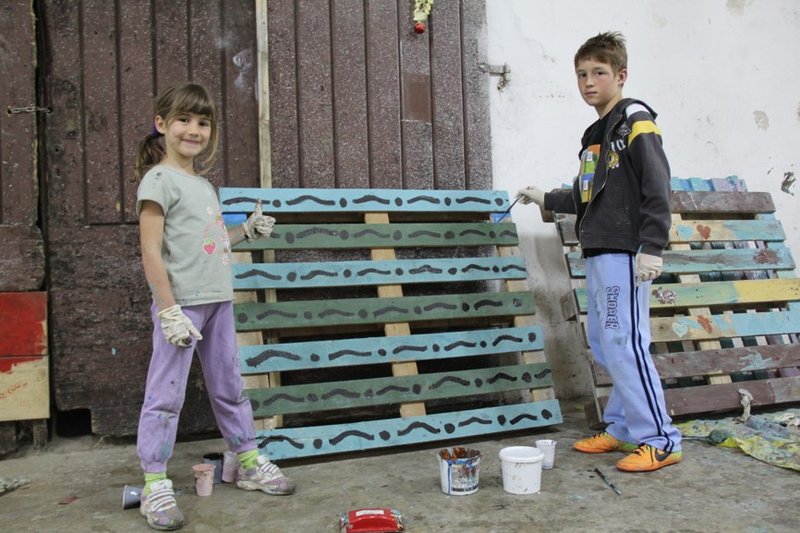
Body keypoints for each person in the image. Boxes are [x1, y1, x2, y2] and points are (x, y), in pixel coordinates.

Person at [516, 32, 682, 472]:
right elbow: (588, 192)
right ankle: (624, 427)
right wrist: (547, 199)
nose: (588, 82)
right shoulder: (595, 133)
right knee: (608, 345)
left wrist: (652, 246)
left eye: (599, 73)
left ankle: (662, 439)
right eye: (581, 74)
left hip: (626, 252)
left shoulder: (635, 121)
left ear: (621, 75)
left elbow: (657, 186)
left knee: (625, 343)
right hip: (600, 250)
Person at [133, 82, 295, 531]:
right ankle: (154, 483)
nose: (194, 130)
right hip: (181, 307)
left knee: (230, 386)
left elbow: (212, 241)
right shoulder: (158, 181)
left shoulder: (204, 185)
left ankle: (246, 461)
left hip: (218, 302)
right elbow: (150, 252)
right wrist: (168, 310)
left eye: (203, 123)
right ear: (161, 124)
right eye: (183, 120)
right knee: (166, 395)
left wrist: (247, 231)